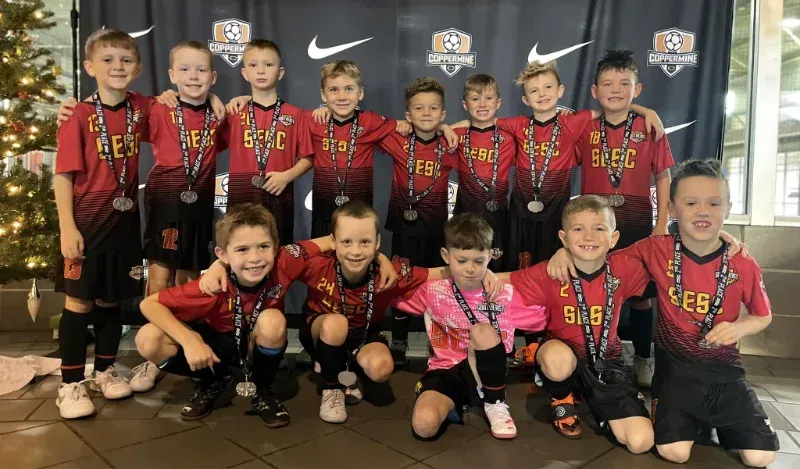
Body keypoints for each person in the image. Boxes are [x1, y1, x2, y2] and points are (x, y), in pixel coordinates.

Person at [548, 159, 777, 467]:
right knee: (674, 452)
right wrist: (563, 250)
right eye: (691, 202)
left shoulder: (742, 261)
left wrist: (738, 328)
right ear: (671, 209)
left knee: (760, 457)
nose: (703, 211)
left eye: (714, 203)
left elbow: (762, 316)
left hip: (726, 374)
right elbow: (598, 254)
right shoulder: (655, 249)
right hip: (675, 372)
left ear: (728, 207)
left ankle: (720, 421)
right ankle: (686, 415)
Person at [136, 203, 324, 425]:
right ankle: (214, 379)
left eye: (263, 246)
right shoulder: (212, 285)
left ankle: (262, 390)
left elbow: (331, 240)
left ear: (276, 248)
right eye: (242, 250)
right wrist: (190, 340)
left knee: (273, 320)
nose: (255, 258)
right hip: (220, 343)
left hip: (256, 341)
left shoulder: (285, 259)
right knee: (148, 339)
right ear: (222, 254)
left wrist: (378, 259)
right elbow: (148, 305)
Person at [53, 28, 153, 419]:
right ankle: (70, 384)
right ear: (89, 66)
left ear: (138, 68)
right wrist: (67, 226)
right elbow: (63, 176)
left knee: (113, 298)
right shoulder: (77, 114)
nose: (117, 67)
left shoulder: (142, 108)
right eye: (108, 60)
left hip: (125, 223)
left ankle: (105, 371)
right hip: (86, 224)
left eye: (126, 60)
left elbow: (182, 107)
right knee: (78, 301)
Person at [504, 196, 653, 452]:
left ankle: (596, 400)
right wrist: (434, 275)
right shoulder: (550, 271)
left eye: (599, 229)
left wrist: (722, 240)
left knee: (640, 443)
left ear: (614, 239)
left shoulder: (624, 268)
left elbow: (674, 254)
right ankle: (561, 396)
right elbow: (498, 279)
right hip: (564, 357)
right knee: (555, 358)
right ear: (563, 238)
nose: (588, 237)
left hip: (607, 363)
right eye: (578, 229)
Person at [394, 213, 546, 440]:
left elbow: (548, 312)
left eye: (479, 261)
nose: (470, 269)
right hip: (446, 371)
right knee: (424, 426)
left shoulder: (505, 294)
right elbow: (390, 283)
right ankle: (456, 404)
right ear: (446, 256)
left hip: (488, 375)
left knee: (482, 331)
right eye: (462, 261)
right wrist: (443, 272)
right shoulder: (432, 291)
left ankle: (495, 402)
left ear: (490, 256)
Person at [574, 50, 675, 386]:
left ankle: (644, 356)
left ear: (638, 88)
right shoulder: (585, 127)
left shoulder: (649, 127)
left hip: (636, 222)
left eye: (624, 84)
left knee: (643, 296)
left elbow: (663, 175)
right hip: (595, 226)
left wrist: (661, 224)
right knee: (595, 291)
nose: (615, 90)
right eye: (607, 83)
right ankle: (597, 355)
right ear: (594, 91)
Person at [372, 77, 456, 367]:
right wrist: (395, 123)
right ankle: (398, 339)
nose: (427, 113)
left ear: (443, 114)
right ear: (409, 114)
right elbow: (368, 126)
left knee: (438, 286)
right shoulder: (398, 139)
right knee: (400, 282)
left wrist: (448, 129)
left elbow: (482, 129)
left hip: (435, 230)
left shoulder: (450, 142)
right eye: (419, 108)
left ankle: (439, 342)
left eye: (434, 109)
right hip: (403, 228)